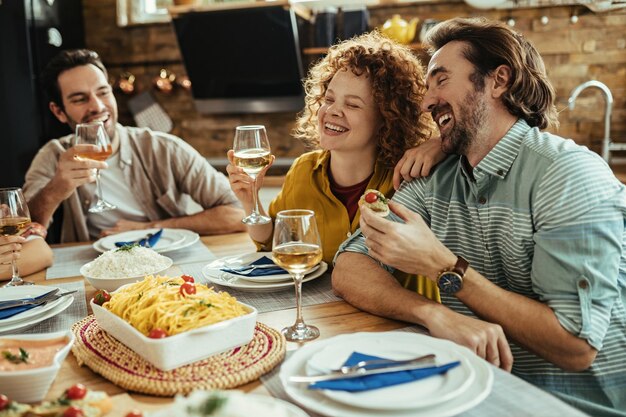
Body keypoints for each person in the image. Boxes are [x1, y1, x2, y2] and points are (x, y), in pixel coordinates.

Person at [333, 17, 626, 416]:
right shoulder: (439, 177)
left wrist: (444, 266)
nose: (426, 101)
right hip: (481, 390)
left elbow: (575, 347)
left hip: (580, 405)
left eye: (440, 80)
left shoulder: (568, 175)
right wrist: (431, 312)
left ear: (498, 81)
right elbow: (350, 265)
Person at [226, 31, 443, 301]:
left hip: (404, 326)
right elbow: (273, 243)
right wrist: (250, 201)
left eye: (352, 104)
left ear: (387, 118)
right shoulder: (303, 171)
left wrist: (442, 145)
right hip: (330, 318)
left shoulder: (412, 176)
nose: (332, 111)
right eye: (329, 99)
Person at [23, 49, 245, 243]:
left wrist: (147, 229)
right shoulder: (52, 156)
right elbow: (24, 231)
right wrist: (55, 189)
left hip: (164, 258)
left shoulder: (164, 148)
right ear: (58, 111)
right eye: (80, 99)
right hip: (94, 267)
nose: (98, 106)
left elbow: (239, 214)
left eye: (103, 92)